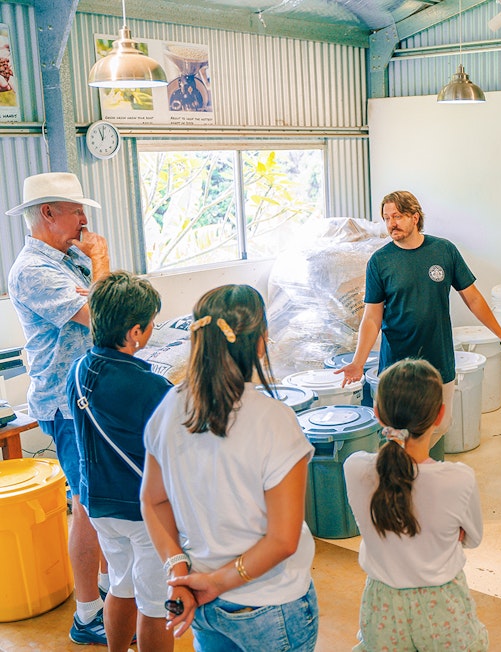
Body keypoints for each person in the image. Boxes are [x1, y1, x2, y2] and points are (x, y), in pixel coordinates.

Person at [140, 285, 318, 651]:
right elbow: (283, 540)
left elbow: (153, 502)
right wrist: (219, 582)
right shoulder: (275, 420)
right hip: (268, 604)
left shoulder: (170, 408)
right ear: (260, 342)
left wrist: (179, 572)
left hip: (201, 598)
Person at [6, 172, 111, 645]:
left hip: (91, 394)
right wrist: (103, 258)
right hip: (67, 404)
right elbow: (107, 316)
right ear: (47, 213)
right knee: (87, 505)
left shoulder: (69, 257)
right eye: (75, 210)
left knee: (103, 501)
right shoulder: (33, 270)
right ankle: (88, 614)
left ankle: (111, 592)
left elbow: (112, 304)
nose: (84, 220)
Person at [335, 190, 501, 443]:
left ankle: (419, 470)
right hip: (397, 363)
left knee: (441, 424)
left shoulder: (443, 251)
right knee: (398, 431)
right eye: (386, 218)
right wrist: (358, 362)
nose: (391, 224)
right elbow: (372, 318)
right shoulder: (380, 261)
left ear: (415, 217)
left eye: (397, 216)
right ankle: (407, 475)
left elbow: (473, 298)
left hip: (437, 357)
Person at [343, 358, 487, 651]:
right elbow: (472, 538)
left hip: (382, 605)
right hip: (442, 604)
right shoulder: (458, 479)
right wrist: (446, 533)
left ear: (377, 413)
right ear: (440, 415)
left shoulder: (355, 469)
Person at [67, 272, 174, 652]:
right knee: (157, 605)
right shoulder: (153, 388)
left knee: (120, 585)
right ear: (135, 334)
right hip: (143, 512)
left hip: (100, 506)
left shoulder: (77, 372)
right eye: (150, 325)